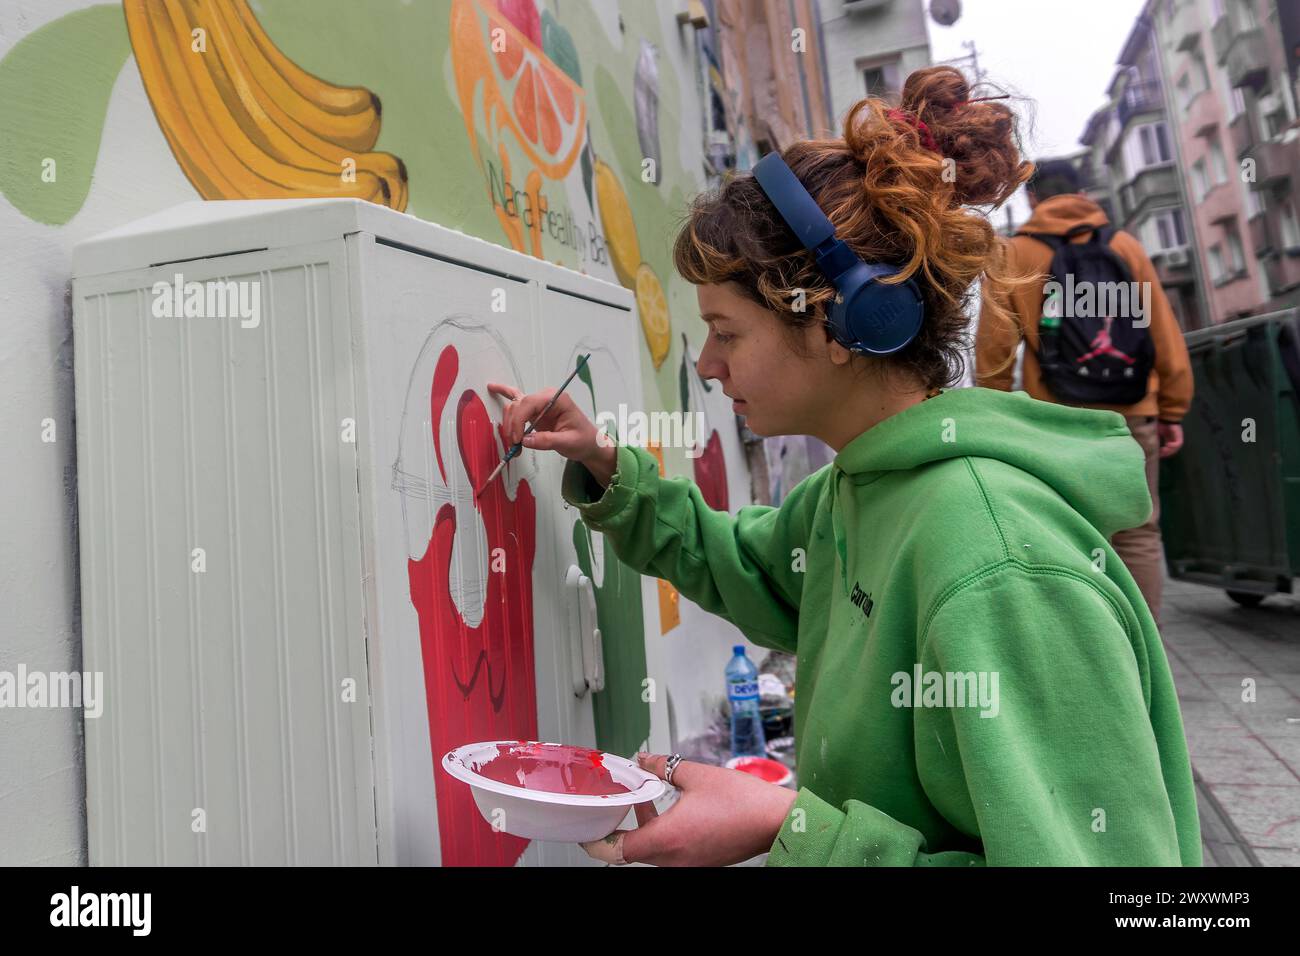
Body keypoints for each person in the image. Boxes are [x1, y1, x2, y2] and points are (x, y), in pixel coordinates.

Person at [488, 67, 1200, 867]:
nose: (709, 366)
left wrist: (788, 828)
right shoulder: (859, 488)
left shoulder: (1000, 568)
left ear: (840, 324)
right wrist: (606, 466)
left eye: (727, 331)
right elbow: (748, 567)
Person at [975, 159, 1194, 626]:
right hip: (1131, 416)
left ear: (1032, 200)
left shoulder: (1013, 253)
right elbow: (1164, 333)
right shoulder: (1123, 245)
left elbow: (994, 351)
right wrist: (1171, 411)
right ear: (1084, 194)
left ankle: (1090, 641)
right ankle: (1143, 651)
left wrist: (994, 413)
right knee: (1138, 531)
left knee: (1069, 532)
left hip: (1057, 424)